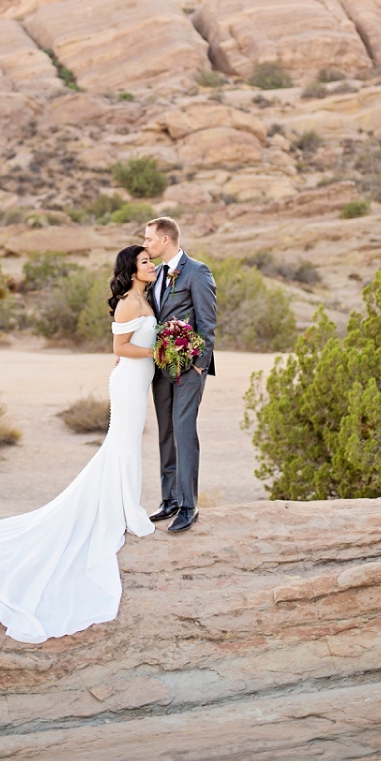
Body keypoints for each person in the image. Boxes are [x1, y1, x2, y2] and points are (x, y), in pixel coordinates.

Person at [0, 245, 158, 644]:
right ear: (131, 268)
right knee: (121, 445)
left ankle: (124, 507)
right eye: (145, 261)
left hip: (137, 379)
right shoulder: (128, 302)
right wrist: (159, 349)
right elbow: (120, 350)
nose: (151, 265)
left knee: (124, 446)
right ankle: (125, 510)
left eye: (151, 260)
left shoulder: (145, 296)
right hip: (128, 380)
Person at [143, 216, 217, 534]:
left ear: (165, 240)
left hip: (189, 369)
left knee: (183, 430)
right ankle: (169, 499)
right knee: (166, 434)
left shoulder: (197, 271)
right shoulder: (157, 274)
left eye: (149, 239)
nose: (145, 244)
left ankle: (189, 505)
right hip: (161, 369)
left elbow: (207, 321)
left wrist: (199, 364)